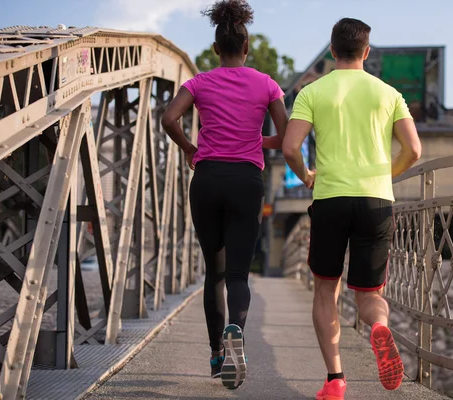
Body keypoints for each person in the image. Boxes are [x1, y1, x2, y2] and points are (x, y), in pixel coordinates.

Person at [282, 17, 422, 400]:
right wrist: (385, 175)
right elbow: (413, 149)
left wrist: (307, 176)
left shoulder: (313, 92)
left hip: (329, 199)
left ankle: (335, 381)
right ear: (366, 52)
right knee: (369, 293)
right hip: (376, 201)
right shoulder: (389, 93)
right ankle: (379, 328)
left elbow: (290, 147)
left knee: (326, 289)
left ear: (331, 51)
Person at [161, 0, 288, 391]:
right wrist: (256, 139)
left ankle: (217, 355)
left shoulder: (198, 83)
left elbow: (168, 119)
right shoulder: (267, 84)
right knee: (238, 273)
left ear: (216, 50)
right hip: (246, 181)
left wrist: (190, 148)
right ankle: (238, 330)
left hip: (208, 178)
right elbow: (286, 138)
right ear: (246, 48)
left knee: (213, 273)